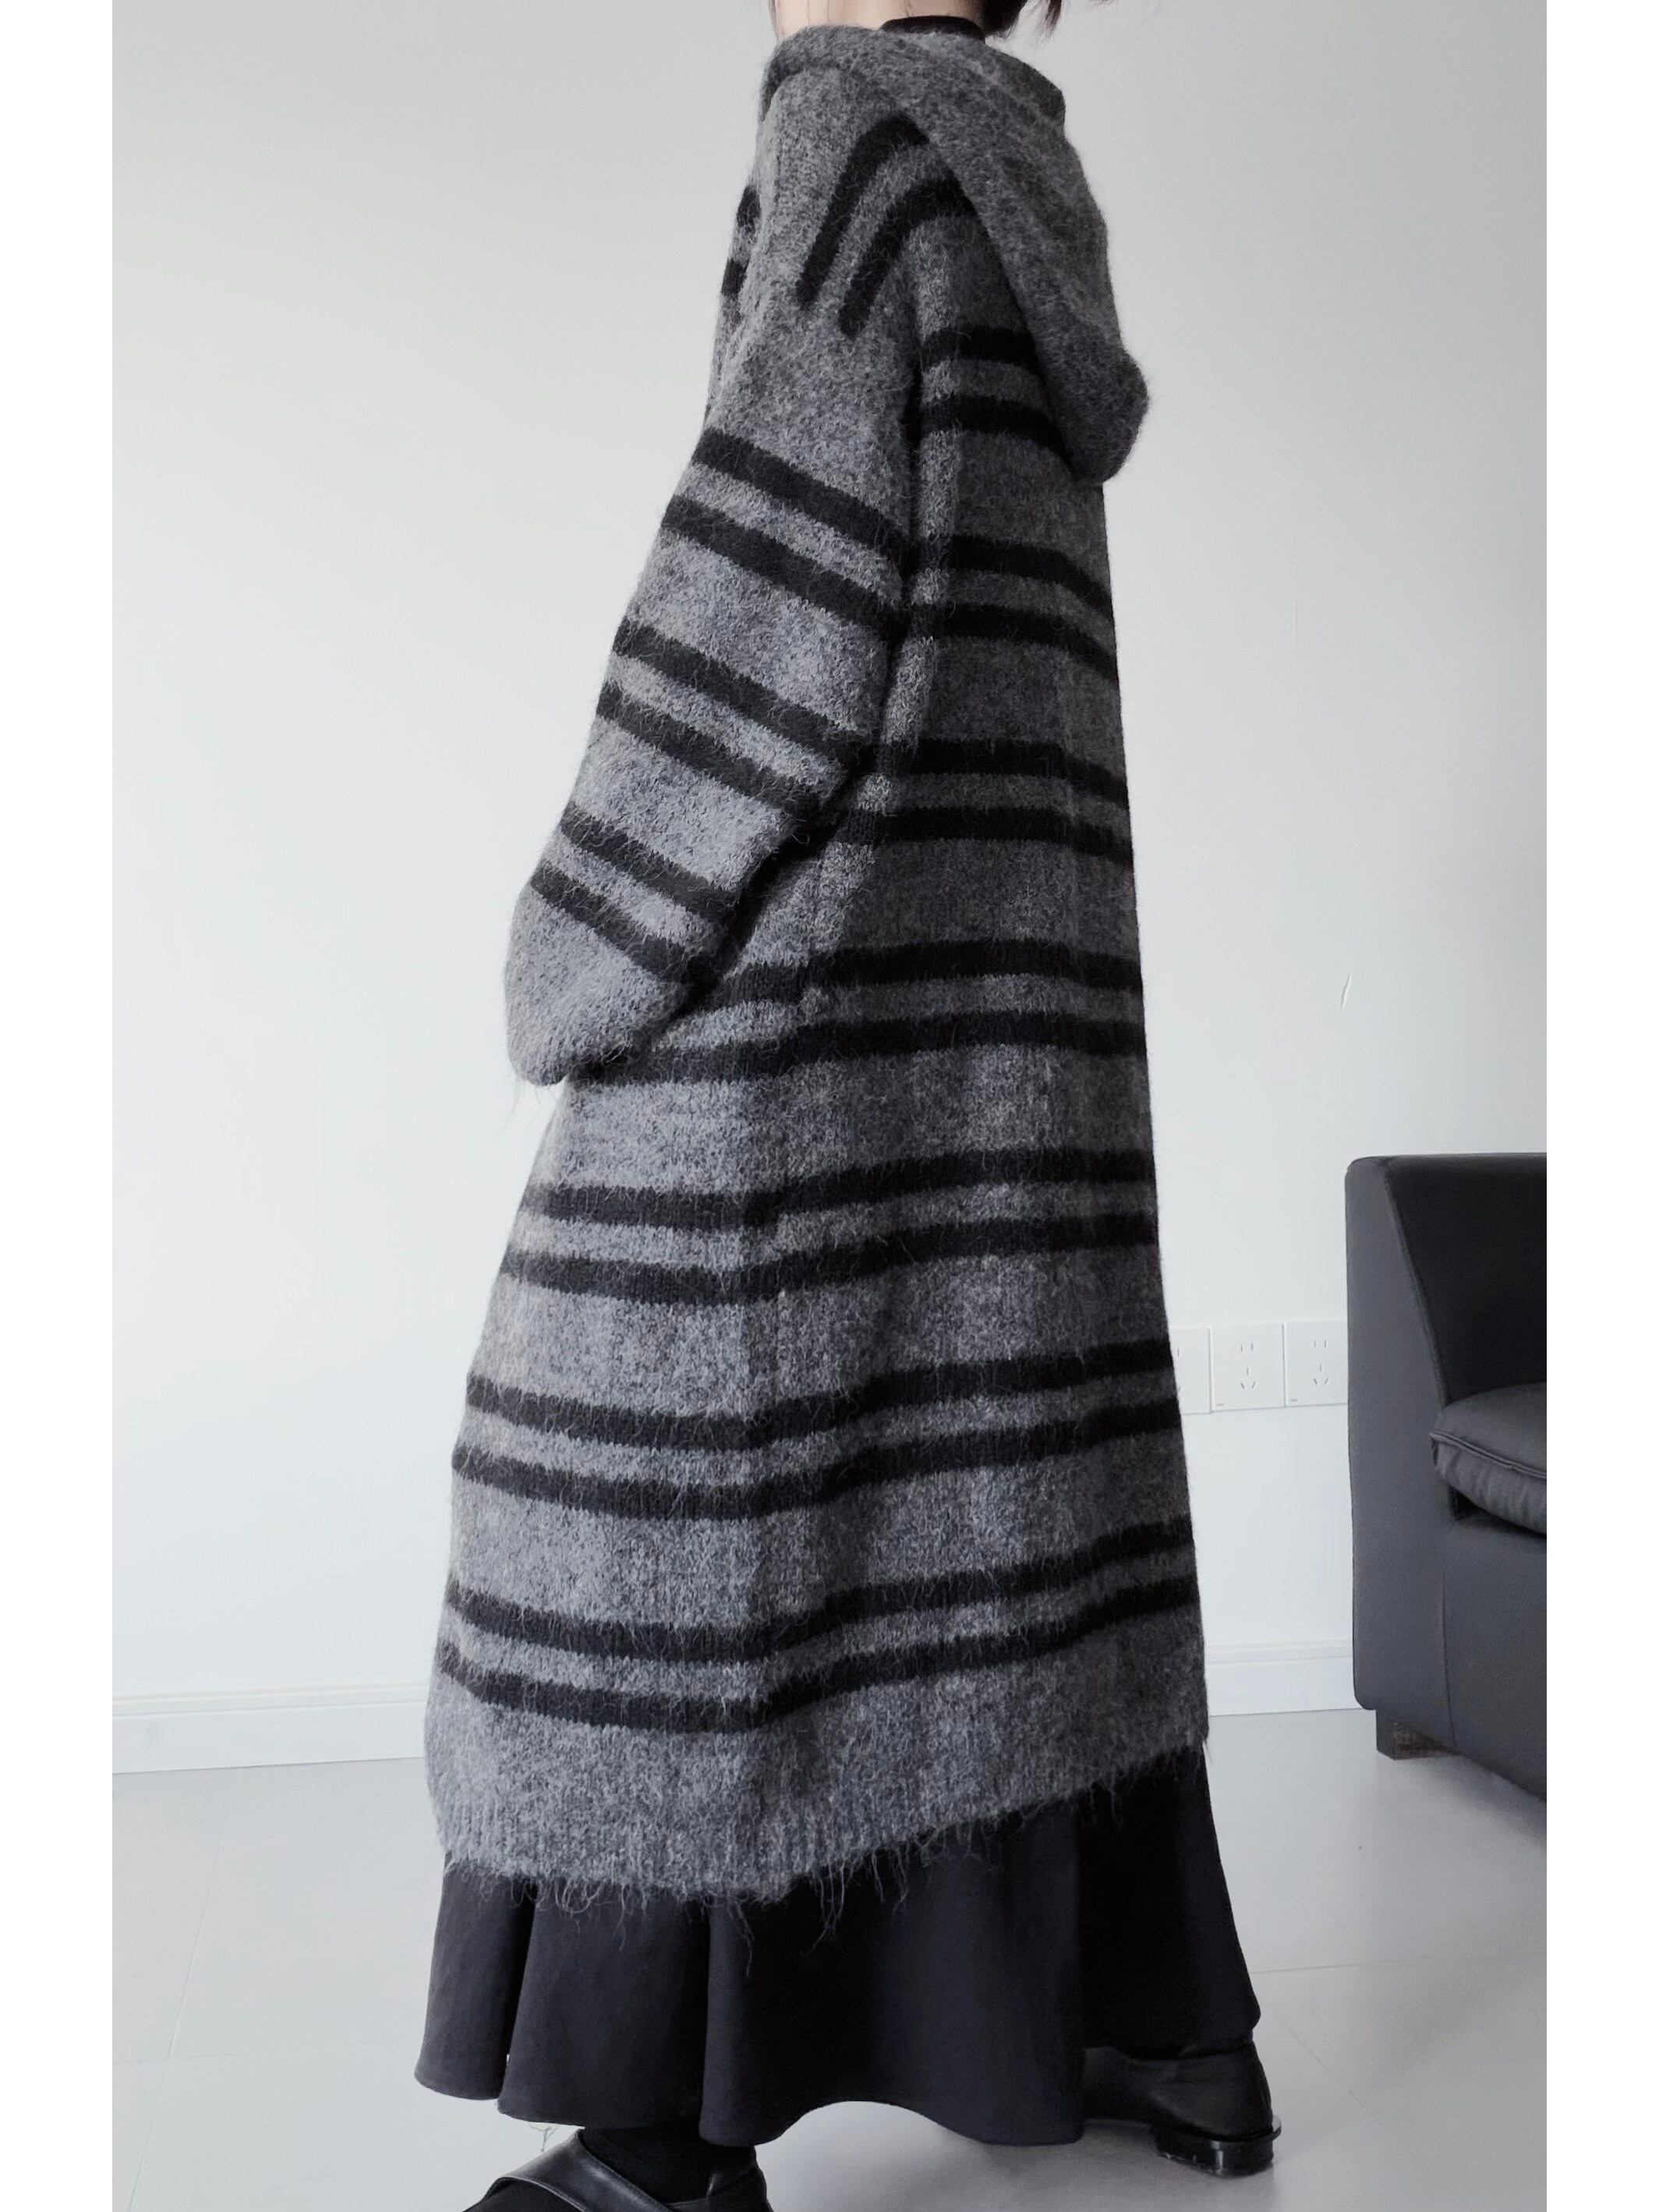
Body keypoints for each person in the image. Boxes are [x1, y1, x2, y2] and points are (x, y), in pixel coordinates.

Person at [416, 5, 1279, 2206]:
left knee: (637, 1527)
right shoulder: (1017, 182)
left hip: (814, 1013)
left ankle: (656, 2141)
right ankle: (1168, 2019)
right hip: (1002, 1017)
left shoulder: (854, 144)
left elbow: (767, 589)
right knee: (1023, 1513)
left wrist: (576, 938)